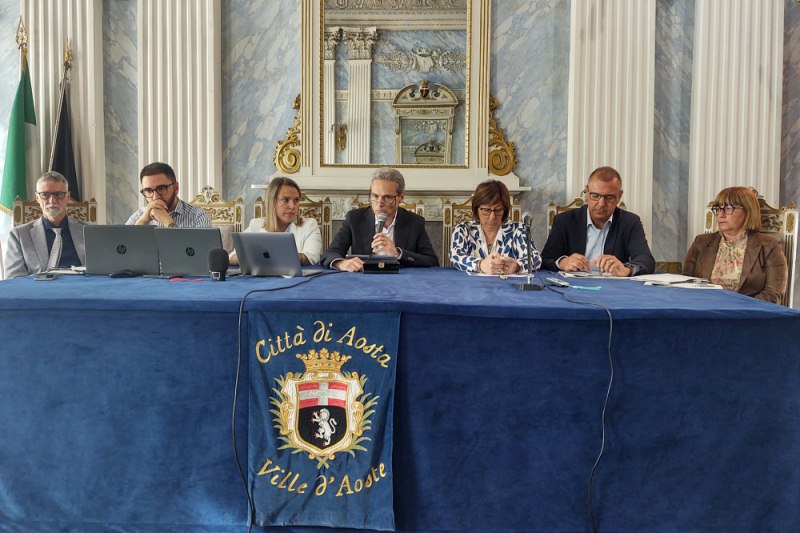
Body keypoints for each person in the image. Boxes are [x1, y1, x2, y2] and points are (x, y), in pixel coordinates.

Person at [540, 166, 655, 276]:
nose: (601, 204)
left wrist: (626, 270)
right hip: (573, 287)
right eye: (595, 195)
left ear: (619, 196)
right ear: (586, 193)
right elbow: (545, 260)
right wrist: (562, 262)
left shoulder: (630, 222)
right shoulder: (564, 221)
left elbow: (646, 261)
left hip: (613, 289)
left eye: (609, 197)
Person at [683, 187, 787, 303]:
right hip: (704, 309)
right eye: (718, 208)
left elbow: (773, 293)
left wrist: (739, 308)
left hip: (746, 315)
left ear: (748, 211)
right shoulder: (701, 242)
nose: (720, 214)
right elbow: (685, 284)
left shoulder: (769, 246)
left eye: (728, 208)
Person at [321, 167, 439, 271]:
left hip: (401, 281)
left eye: (387, 197)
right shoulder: (355, 219)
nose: (379, 203)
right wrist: (342, 263)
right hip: (363, 280)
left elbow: (431, 261)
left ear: (401, 197)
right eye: (375, 196)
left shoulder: (415, 222)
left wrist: (398, 253)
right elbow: (330, 253)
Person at [4, 172, 87, 279]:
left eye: (59, 195)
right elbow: (14, 279)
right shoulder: (19, 235)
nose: (52, 201)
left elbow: (100, 272)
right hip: (38, 291)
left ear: (68, 197)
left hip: (79, 290)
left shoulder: (89, 231)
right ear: (37, 198)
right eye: (45, 195)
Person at [450, 179, 541, 274]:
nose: (492, 217)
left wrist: (517, 266)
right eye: (486, 210)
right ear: (476, 209)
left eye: (498, 210)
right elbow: (455, 256)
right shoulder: (463, 230)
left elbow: (536, 258)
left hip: (507, 286)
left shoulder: (518, 229)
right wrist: (480, 265)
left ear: (504, 210)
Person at [230, 177, 322, 266]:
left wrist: (288, 256)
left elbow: (313, 257)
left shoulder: (309, 225)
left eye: (296, 200)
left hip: (295, 278)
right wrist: (247, 257)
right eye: (285, 200)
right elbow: (232, 257)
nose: (292, 206)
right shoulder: (256, 224)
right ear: (272, 202)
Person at [125, 162, 211, 228]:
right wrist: (142, 221)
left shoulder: (198, 216)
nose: (155, 197)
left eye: (161, 188)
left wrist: (168, 223)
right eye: (148, 191)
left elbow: (197, 251)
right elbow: (121, 248)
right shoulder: (138, 216)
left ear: (176, 188)